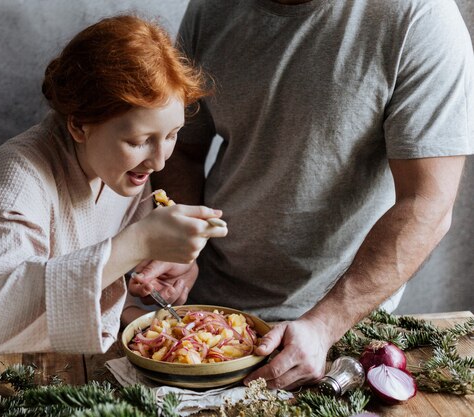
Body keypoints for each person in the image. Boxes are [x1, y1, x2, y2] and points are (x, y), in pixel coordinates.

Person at [129, 0, 474, 389]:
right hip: (209, 314)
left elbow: (428, 202)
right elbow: (184, 150)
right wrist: (186, 251)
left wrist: (324, 325)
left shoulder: (417, 16)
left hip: (338, 333)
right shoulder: (211, 10)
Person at [0, 14, 227, 354]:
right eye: (138, 141)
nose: (159, 161)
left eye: (172, 134)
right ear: (79, 125)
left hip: (63, 357)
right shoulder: (18, 175)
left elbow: (95, 281)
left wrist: (155, 275)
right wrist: (137, 243)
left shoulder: (126, 175)